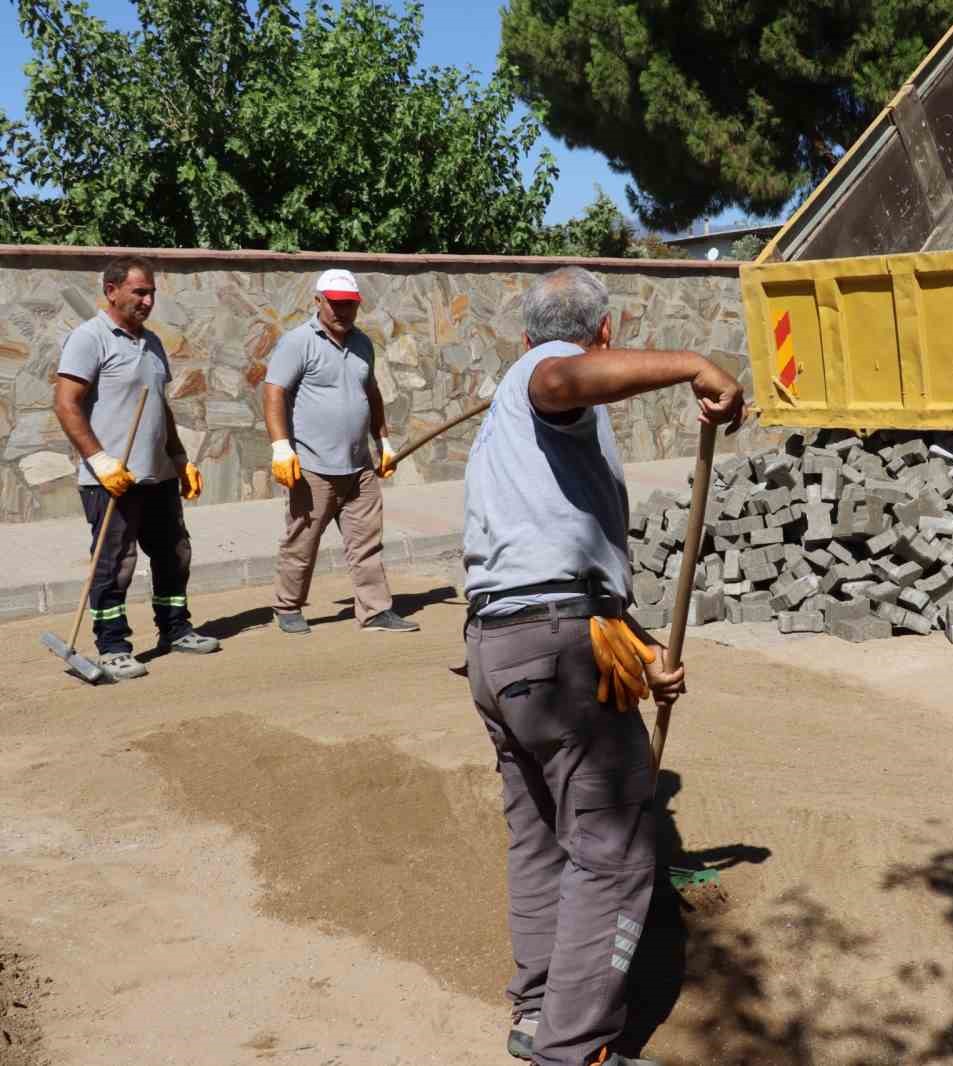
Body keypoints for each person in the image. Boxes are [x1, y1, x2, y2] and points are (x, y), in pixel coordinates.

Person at [463, 266, 744, 1066]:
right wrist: (694, 363)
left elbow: (558, 557)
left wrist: (645, 648)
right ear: (608, 334)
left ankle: (539, 1010)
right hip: (550, 651)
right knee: (616, 852)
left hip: (503, 647)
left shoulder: (510, 425)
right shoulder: (546, 378)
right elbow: (562, 374)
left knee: (543, 841)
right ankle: (574, 1049)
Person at [53, 255, 220, 681]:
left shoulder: (152, 342)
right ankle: (112, 646)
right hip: (110, 480)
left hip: (158, 475)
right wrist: (99, 459)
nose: (147, 301)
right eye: (139, 292)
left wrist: (180, 458)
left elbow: (159, 408)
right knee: (113, 565)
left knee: (174, 555)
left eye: (151, 293)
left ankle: (175, 629)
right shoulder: (90, 339)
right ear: (111, 291)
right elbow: (66, 404)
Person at [263, 268, 417, 634]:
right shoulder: (298, 342)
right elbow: (273, 392)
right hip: (313, 467)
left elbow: (372, 393)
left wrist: (383, 441)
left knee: (367, 543)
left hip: (358, 467)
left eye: (349, 305)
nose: (342, 311)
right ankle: (287, 607)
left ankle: (375, 610)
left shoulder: (362, 343)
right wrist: (281, 447)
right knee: (302, 541)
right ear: (318, 302)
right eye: (335, 304)